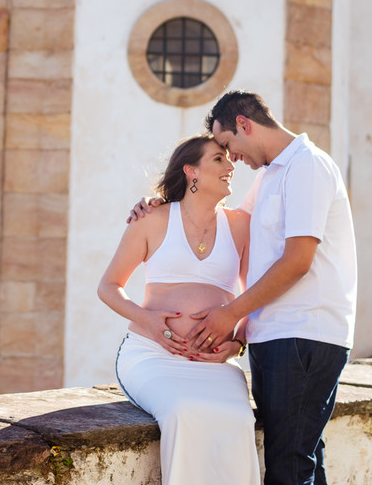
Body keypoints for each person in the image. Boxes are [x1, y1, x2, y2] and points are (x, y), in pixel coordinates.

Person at [130, 91, 357, 485]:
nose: (233, 159)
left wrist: (231, 316)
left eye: (229, 145)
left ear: (245, 125)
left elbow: (298, 260)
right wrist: (158, 202)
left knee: (289, 468)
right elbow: (215, 212)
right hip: (276, 336)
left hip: (304, 335)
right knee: (300, 459)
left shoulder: (308, 167)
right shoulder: (273, 175)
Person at [99, 135, 261, 485]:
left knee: (239, 417)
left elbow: (255, 297)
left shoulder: (241, 226)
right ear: (192, 172)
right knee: (182, 411)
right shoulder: (152, 218)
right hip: (151, 355)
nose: (231, 167)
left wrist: (237, 344)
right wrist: (147, 320)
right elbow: (108, 286)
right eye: (219, 159)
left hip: (214, 363)